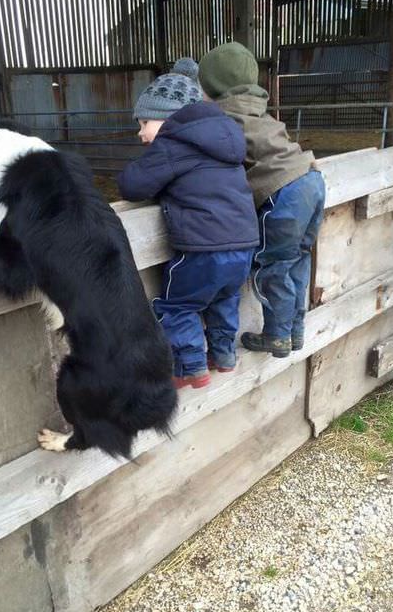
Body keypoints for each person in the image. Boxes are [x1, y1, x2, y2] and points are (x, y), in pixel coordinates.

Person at [117, 68, 259, 389]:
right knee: (224, 299)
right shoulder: (226, 141)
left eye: (144, 123)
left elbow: (132, 185)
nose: (140, 133)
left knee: (176, 306)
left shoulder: (173, 144)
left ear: (168, 118)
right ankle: (223, 355)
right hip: (244, 246)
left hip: (202, 249)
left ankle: (189, 367)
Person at [198, 42, 326, 359]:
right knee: (297, 259)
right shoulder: (256, 108)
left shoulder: (220, 119)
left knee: (271, 266)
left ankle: (277, 336)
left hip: (284, 191)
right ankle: (294, 331)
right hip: (311, 179)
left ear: (212, 85)